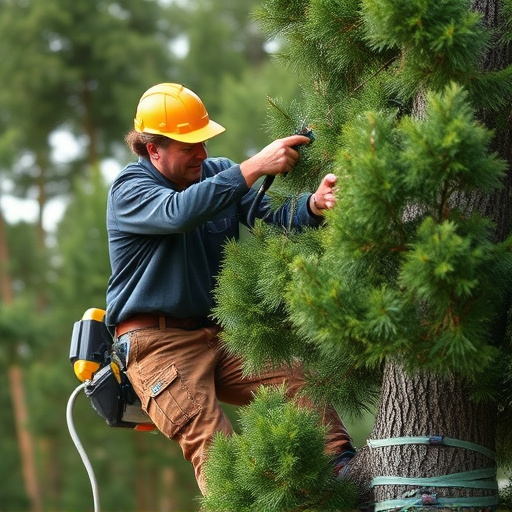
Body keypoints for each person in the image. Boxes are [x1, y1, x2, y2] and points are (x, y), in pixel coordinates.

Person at [105, 82, 355, 494]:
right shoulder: (129, 190)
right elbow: (178, 213)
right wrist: (255, 165)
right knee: (217, 450)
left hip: (218, 336)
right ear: (153, 150)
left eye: (203, 142)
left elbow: (271, 213)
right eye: (190, 147)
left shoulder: (216, 173)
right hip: (156, 347)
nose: (202, 154)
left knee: (298, 379)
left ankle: (345, 481)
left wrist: (315, 203)